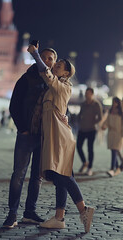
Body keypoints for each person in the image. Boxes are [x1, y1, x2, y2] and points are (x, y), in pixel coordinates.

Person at [28, 44, 94, 233]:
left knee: (62, 175)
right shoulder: (54, 87)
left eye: (58, 66)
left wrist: (35, 54)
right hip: (53, 135)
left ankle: (83, 210)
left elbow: (46, 73)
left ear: (65, 73)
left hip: (60, 137)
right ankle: (59, 217)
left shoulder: (64, 86)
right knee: (60, 175)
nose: (54, 66)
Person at [3, 47, 57, 229]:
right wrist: (23, 128)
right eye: (44, 57)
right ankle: (12, 214)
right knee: (18, 174)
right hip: (27, 135)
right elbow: (14, 105)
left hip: (43, 137)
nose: (47, 61)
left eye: (50, 58)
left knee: (37, 177)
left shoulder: (54, 83)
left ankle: (30, 212)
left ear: (54, 63)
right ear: (37, 59)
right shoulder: (26, 79)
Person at [76, 87, 103, 176]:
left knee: (90, 149)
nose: (86, 95)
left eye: (88, 93)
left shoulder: (96, 104)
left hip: (91, 129)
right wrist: (79, 122)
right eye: (85, 93)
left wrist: (94, 123)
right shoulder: (83, 104)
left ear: (92, 94)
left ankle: (89, 168)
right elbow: (80, 115)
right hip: (82, 129)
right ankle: (85, 162)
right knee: (78, 146)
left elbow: (100, 117)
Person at [101, 97, 123, 177]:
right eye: (113, 102)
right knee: (113, 151)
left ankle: (112, 169)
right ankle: (118, 167)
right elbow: (107, 121)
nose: (114, 104)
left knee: (114, 151)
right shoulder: (110, 112)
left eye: (116, 102)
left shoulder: (122, 113)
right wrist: (104, 126)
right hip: (111, 134)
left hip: (119, 135)